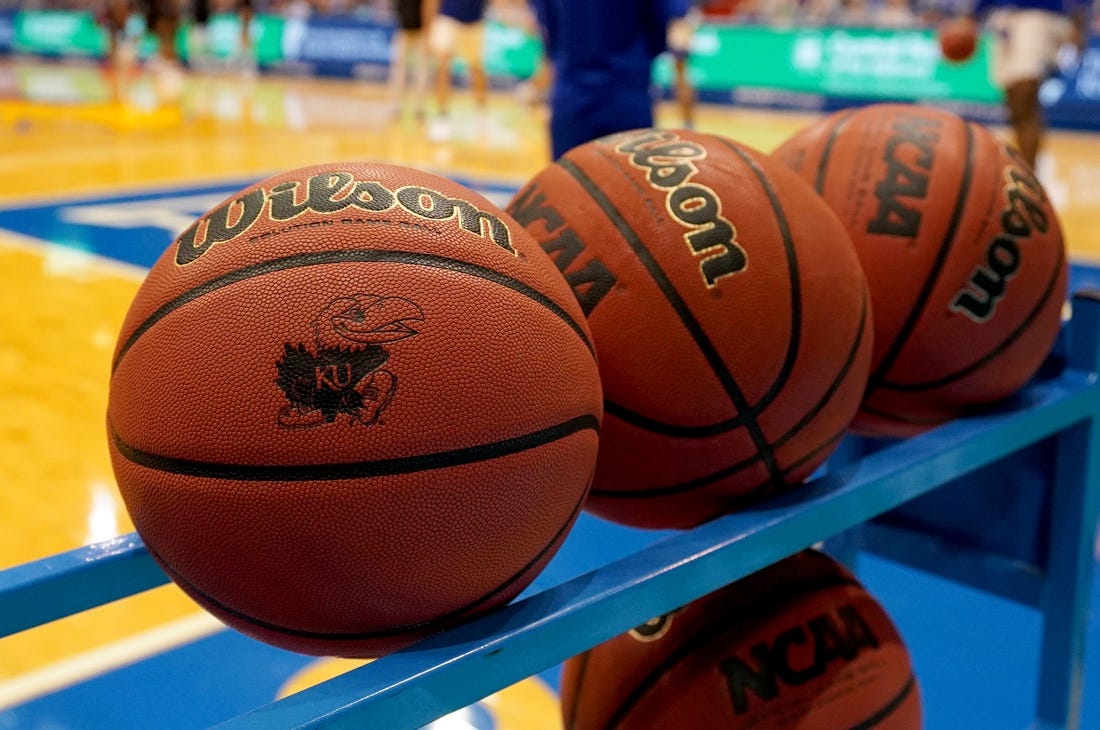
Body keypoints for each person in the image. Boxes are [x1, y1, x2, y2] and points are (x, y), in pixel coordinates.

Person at [530, 0, 675, 160]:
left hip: (573, 89)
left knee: (570, 179)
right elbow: (659, 25)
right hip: (627, 88)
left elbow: (547, 22)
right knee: (630, 180)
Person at [969, 0, 1089, 169]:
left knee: (1023, 92)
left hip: (1041, 16)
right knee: (1015, 104)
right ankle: (1025, 167)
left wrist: (1079, 22)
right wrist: (973, 13)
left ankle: (1029, 173)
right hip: (1004, 19)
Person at [427, 0, 489, 140]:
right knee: (443, 64)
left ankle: (481, 114)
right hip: (447, 18)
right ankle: (442, 116)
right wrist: (429, 26)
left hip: (474, 21)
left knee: (476, 68)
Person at [389, 0, 435, 120]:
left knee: (420, 69)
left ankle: (418, 107)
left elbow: (430, 6)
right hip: (405, 28)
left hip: (420, 30)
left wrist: (428, 30)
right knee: (401, 68)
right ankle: (398, 106)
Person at [666, 0, 701, 128]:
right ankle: (688, 122)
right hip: (677, 17)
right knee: (680, 75)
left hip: (679, 19)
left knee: (681, 75)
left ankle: (688, 122)